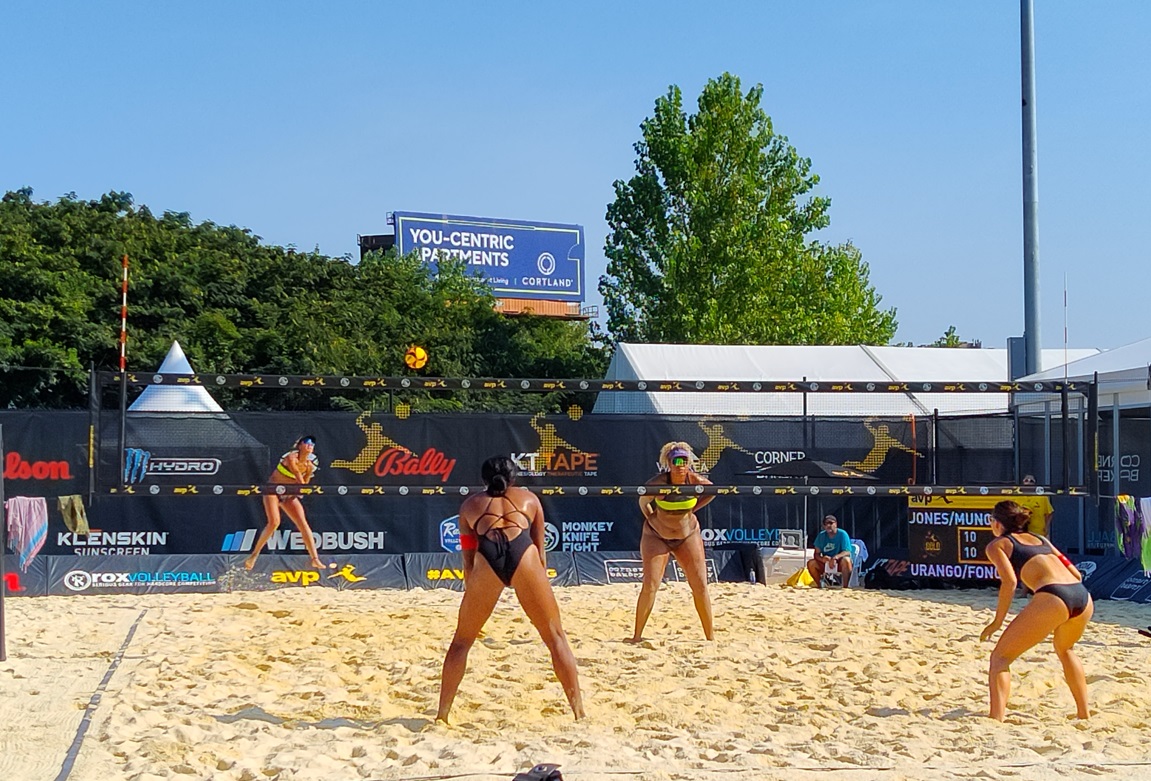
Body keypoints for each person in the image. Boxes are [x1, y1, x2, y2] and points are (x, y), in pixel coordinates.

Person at [437, 456, 584, 722]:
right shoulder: (530, 500)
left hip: (486, 559)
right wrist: (538, 583)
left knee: (461, 642)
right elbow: (540, 553)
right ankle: (579, 712)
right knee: (555, 638)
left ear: (483, 479)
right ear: (513, 477)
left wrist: (473, 589)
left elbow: (468, 560)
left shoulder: (470, 505)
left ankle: (442, 714)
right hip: (524, 554)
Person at [979, 500, 1093, 721]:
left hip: (1054, 595)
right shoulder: (1041, 539)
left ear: (997, 523)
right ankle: (1084, 714)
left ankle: (996, 719)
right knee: (1066, 650)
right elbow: (1076, 574)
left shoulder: (998, 545)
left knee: (1000, 658)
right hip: (1082, 596)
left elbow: (1010, 582)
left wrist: (997, 621)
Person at [629, 442, 716, 643]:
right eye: (675, 461)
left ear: (689, 463)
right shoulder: (658, 483)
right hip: (657, 536)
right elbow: (643, 502)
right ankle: (637, 636)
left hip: (687, 535)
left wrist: (692, 509)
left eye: (684, 461)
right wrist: (652, 519)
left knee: (700, 585)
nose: (680, 465)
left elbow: (713, 491)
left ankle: (710, 638)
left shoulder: (695, 481)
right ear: (668, 463)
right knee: (650, 585)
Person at [244, 435, 325, 570]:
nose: (310, 445)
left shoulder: (308, 465)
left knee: (303, 523)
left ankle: (315, 559)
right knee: (274, 522)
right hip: (273, 490)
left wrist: (308, 473)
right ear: (300, 445)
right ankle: (254, 555)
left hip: (288, 493)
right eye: (307, 442)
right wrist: (307, 474)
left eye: (312, 444)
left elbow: (303, 486)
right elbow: (298, 477)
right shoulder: (291, 458)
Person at [807, 515, 853, 588]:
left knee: (846, 560)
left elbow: (847, 551)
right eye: (826, 524)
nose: (828, 525)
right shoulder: (821, 536)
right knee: (811, 563)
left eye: (831, 523)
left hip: (839, 562)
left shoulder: (842, 534)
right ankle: (821, 585)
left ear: (836, 524)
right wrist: (822, 559)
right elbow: (816, 554)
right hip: (826, 563)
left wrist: (835, 557)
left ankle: (845, 586)